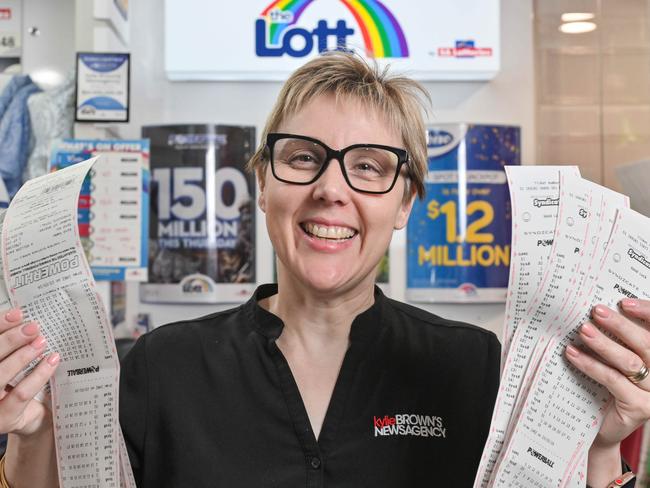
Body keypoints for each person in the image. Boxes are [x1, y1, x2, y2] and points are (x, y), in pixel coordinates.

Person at [1, 51, 650, 488]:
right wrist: (33, 434)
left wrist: (596, 445)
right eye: (304, 156)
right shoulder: (158, 368)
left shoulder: (478, 369)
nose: (331, 189)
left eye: (368, 165)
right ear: (262, 181)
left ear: (404, 204)